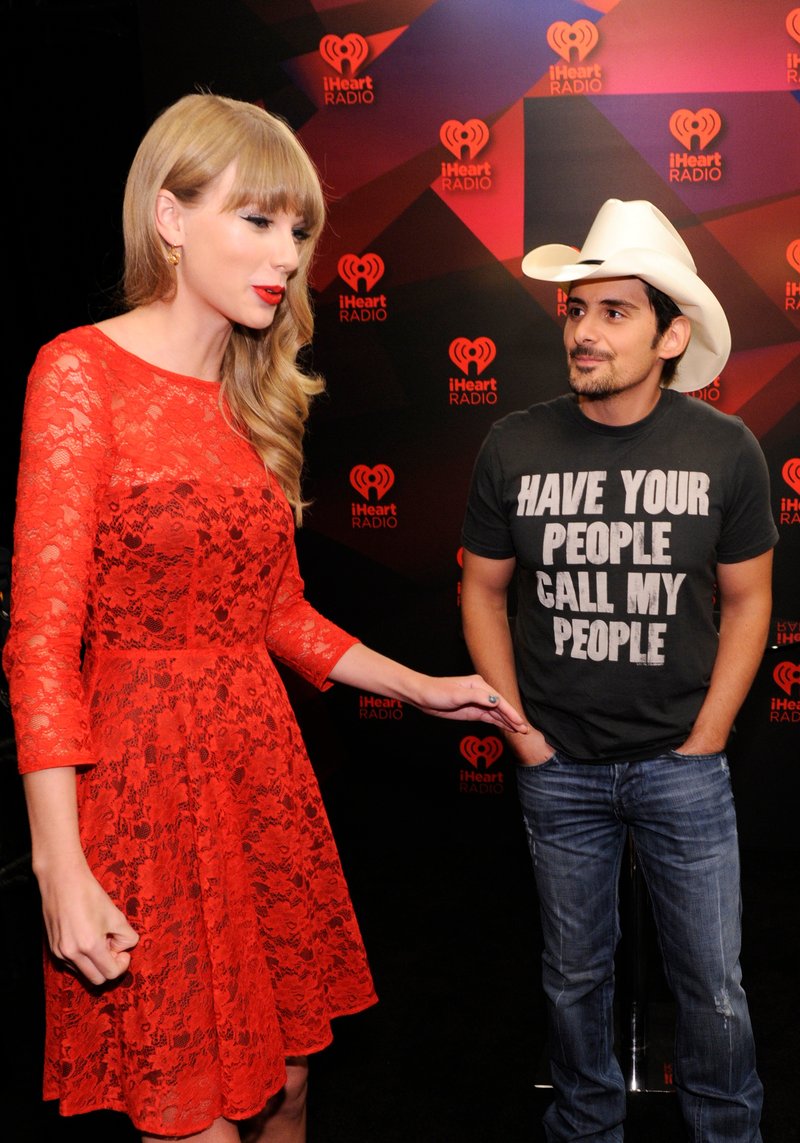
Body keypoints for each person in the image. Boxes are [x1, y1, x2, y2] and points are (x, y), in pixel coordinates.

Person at [3, 93, 527, 1143]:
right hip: (141, 777)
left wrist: (420, 686)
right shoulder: (80, 370)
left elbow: (276, 612)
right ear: (169, 216)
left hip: (260, 767)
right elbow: (41, 641)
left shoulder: (254, 395)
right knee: (191, 1110)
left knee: (288, 1087)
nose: (287, 255)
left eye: (298, 230)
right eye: (257, 220)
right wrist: (59, 864)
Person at [460, 199, 776, 1142]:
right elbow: (481, 590)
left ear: (671, 336)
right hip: (559, 767)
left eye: (614, 311)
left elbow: (750, 602)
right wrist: (522, 733)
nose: (584, 332)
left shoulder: (725, 449)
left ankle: (728, 1131)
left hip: (684, 767)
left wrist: (707, 738)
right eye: (576, 310)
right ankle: (586, 1126)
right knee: (572, 977)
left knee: (711, 985)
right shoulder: (514, 443)